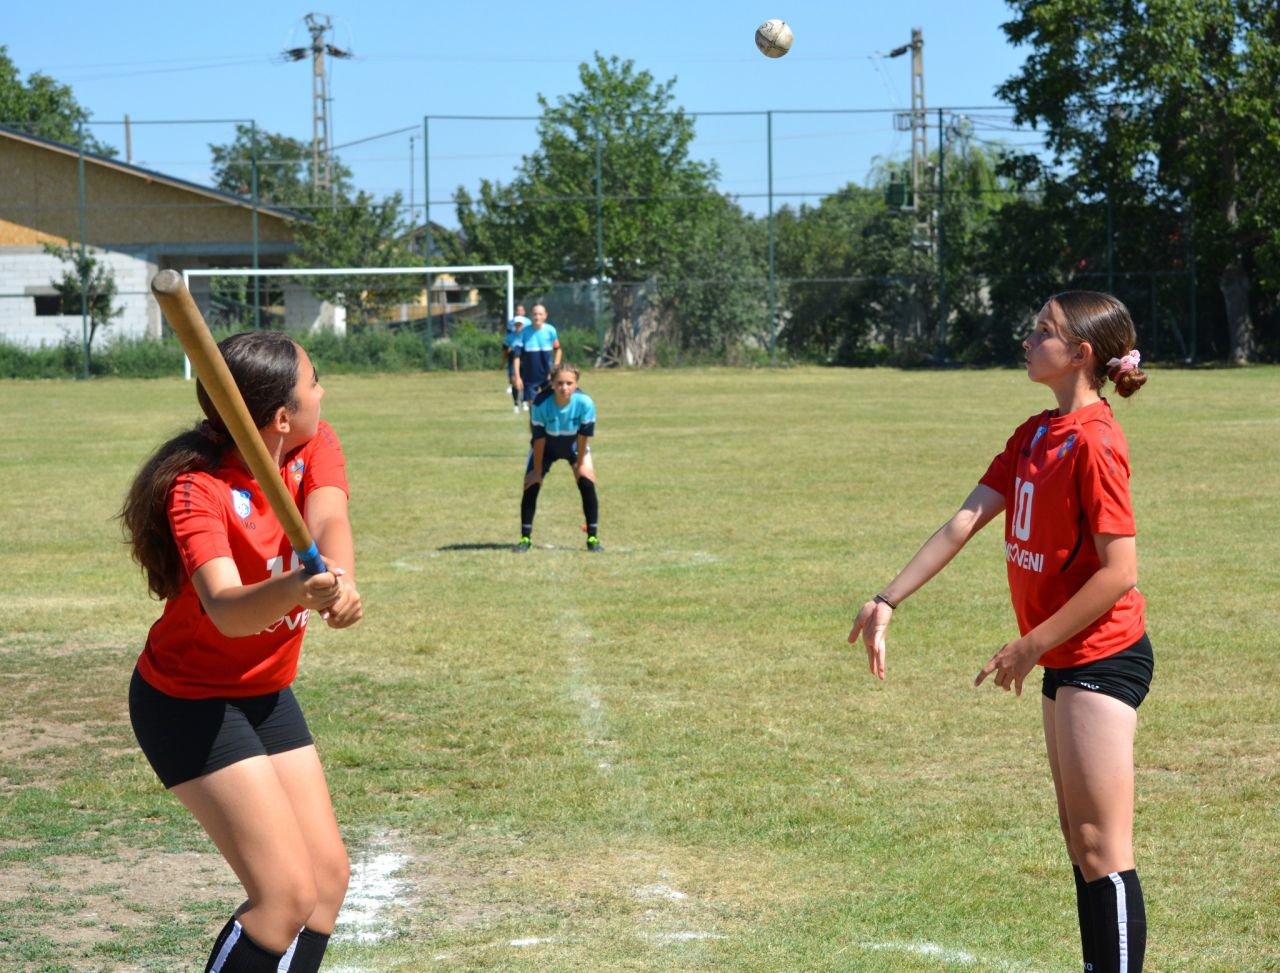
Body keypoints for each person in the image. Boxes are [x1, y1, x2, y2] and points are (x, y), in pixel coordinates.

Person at [847, 291, 1152, 973]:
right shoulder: (1036, 433)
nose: (1028, 337)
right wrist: (887, 598)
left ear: (1080, 355)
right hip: (1065, 660)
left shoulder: (1096, 441)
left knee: (1105, 848)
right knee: (1082, 844)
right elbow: (964, 520)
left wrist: (1032, 642)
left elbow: (1120, 571)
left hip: (1103, 655)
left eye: (1043, 330)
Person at [119, 331, 363, 973]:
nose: (322, 391)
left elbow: (330, 516)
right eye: (313, 383)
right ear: (281, 415)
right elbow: (227, 610)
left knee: (325, 881)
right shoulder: (197, 488)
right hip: (188, 701)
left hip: (263, 689)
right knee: (283, 895)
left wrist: (342, 576)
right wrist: (296, 587)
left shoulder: (315, 445)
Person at [515, 362, 601, 553]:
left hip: (573, 445)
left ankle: (593, 538)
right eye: (560, 383)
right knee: (531, 485)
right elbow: (538, 439)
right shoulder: (540, 403)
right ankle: (525, 538)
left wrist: (580, 465)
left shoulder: (585, 403)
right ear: (552, 383)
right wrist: (537, 472)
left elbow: (583, 436)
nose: (564, 388)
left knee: (587, 482)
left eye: (569, 383)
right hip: (546, 446)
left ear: (576, 384)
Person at [511, 301, 560, 412]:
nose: (537, 316)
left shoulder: (551, 330)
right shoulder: (524, 332)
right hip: (530, 377)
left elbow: (558, 350)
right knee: (533, 408)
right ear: (530, 316)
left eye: (540, 314)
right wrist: (518, 377)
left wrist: (555, 368)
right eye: (534, 314)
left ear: (545, 315)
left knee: (550, 406)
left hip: (548, 376)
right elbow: (516, 356)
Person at [503, 306, 529, 411]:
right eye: (516, 324)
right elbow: (504, 348)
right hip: (513, 360)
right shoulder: (510, 336)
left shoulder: (528, 336)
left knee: (524, 382)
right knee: (514, 381)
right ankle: (515, 404)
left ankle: (524, 402)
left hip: (525, 360)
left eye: (520, 324)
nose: (518, 326)